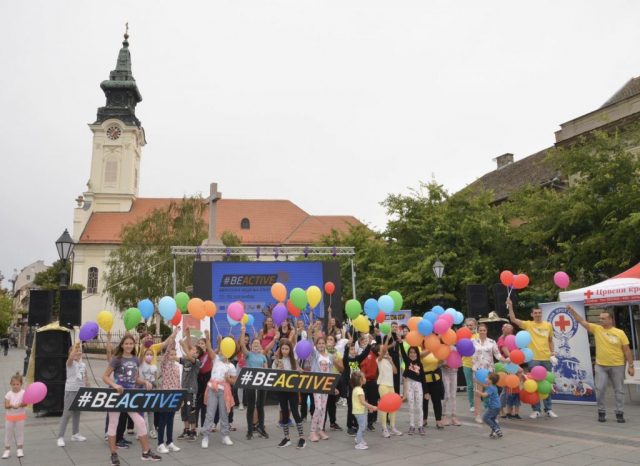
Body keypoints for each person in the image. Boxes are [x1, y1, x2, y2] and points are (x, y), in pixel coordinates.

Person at [567, 305, 635, 423]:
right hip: (601, 366)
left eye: (603, 318)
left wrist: (631, 365)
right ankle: (601, 412)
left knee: (619, 390)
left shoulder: (620, 333)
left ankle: (619, 412)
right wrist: (572, 311)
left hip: (617, 365)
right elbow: (581, 321)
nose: (600, 320)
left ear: (610, 320)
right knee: (600, 389)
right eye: (600, 318)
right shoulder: (597, 329)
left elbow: (627, 350)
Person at [101, 334, 161, 465]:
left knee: (140, 422)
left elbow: (135, 378)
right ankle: (113, 455)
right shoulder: (116, 359)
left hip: (131, 395)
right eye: (126, 343)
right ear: (122, 345)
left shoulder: (135, 360)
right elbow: (105, 376)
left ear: (133, 345)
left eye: (131, 344)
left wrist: (145, 382)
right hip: (117, 395)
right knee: (113, 423)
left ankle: (146, 453)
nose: (128, 346)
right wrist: (116, 385)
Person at [508, 299, 558, 419]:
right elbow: (513, 320)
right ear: (532, 315)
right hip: (533, 359)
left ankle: (549, 409)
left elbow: (550, 340)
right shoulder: (528, 325)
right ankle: (536, 410)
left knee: (547, 385)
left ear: (541, 313)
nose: (538, 315)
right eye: (535, 313)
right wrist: (510, 306)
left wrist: (552, 353)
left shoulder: (548, 325)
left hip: (546, 358)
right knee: (534, 385)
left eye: (539, 313)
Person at [240, 324, 277, 440]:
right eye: (254, 343)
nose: (256, 345)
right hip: (250, 383)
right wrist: (242, 332)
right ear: (251, 346)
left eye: (258, 343)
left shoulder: (262, 357)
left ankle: (261, 428)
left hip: (261, 383)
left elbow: (265, 369)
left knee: (261, 406)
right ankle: (250, 430)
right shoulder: (248, 355)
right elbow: (241, 345)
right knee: (251, 406)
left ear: (260, 346)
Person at [201, 330, 235, 448]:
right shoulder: (216, 359)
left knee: (224, 413)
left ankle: (225, 436)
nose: (222, 351)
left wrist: (227, 378)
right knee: (210, 413)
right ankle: (205, 436)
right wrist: (207, 337)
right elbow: (209, 349)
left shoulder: (231, 366)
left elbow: (234, 381)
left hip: (223, 392)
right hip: (212, 390)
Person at [273, 339, 306, 449]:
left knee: (295, 412)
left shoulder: (294, 361)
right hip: (282, 390)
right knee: (284, 413)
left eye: (287, 349)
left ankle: (302, 438)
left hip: (292, 390)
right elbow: (272, 374)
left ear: (290, 350)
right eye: (283, 349)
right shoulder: (277, 361)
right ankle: (286, 438)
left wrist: (300, 371)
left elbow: (298, 374)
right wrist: (277, 369)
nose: (284, 351)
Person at [472, 323, 508, 424]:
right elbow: (467, 352)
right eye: (481, 330)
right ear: (478, 331)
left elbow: (497, 354)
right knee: (478, 392)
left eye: (484, 330)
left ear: (486, 331)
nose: (482, 332)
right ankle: (477, 414)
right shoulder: (473, 341)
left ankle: (491, 415)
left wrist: (505, 360)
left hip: (489, 371)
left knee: (491, 393)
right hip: (477, 370)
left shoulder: (492, 342)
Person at [57, 342, 89, 447]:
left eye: (80, 350)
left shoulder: (83, 364)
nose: (78, 352)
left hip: (80, 390)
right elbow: (71, 357)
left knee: (77, 412)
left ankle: (75, 434)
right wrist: (75, 347)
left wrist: (87, 382)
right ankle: (60, 437)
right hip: (71, 390)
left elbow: (85, 375)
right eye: (76, 350)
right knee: (67, 413)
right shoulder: (70, 363)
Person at [176, 326, 202, 443]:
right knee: (184, 412)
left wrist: (184, 345)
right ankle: (186, 430)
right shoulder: (186, 360)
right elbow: (175, 358)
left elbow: (190, 356)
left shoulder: (196, 362)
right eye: (190, 350)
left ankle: (193, 431)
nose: (191, 350)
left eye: (193, 350)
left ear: (196, 355)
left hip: (191, 392)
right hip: (184, 390)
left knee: (191, 411)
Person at [156, 334, 181, 454]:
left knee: (171, 420)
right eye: (171, 354)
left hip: (174, 395)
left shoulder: (176, 367)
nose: (173, 356)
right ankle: (160, 443)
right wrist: (173, 338)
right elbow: (166, 355)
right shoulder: (164, 365)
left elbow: (178, 381)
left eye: (174, 354)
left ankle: (169, 442)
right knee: (163, 420)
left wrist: (180, 397)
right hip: (165, 395)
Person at [343, 334, 371, 436]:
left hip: (358, 387)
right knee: (351, 407)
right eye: (351, 349)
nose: (353, 350)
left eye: (354, 349)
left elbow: (364, 354)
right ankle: (349, 426)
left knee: (357, 406)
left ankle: (356, 425)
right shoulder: (347, 361)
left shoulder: (357, 359)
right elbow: (345, 356)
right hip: (350, 387)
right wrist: (347, 346)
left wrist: (369, 344)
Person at [308, 331, 334, 442]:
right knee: (318, 407)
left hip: (326, 385)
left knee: (323, 409)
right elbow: (309, 344)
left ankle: (321, 430)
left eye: (323, 343)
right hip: (317, 383)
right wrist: (310, 333)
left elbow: (331, 372)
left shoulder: (330, 356)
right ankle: (312, 432)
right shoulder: (316, 355)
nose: (321, 345)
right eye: (319, 343)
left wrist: (333, 386)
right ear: (316, 345)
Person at [399, 343, 428, 435]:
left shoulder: (420, 364)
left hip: (418, 385)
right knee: (411, 406)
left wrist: (426, 392)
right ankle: (412, 426)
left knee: (419, 406)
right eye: (411, 352)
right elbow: (403, 353)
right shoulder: (408, 362)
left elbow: (423, 378)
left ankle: (420, 426)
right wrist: (400, 342)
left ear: (417, 353)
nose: (412, 354)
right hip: (409, 385)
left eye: (414, 352)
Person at [377, 334, 402, 437]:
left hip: (390, 386)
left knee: (393, 407)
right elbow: (383, 351)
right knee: (384, 407)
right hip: (383, 385)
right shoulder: (379, 360)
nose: (385, 350)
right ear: (379, 352)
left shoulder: (388, 360)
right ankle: (384, 428)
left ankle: (392, 427)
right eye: (382, 350)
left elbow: (396, 372)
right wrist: (387, 339)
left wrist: (391, 362)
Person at [351, 372, 378, 450]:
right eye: (364, 377)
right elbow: (363, 402)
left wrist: (369, 408)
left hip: (358, 411)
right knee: (362, 426)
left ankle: (359, 438)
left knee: (363, 425)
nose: (365, 379)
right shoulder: (359, 390)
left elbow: (361, 403)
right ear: (360, 380)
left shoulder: (356, 389)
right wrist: (372, 407)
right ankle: (358, 443)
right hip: (359, 411)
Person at [323, 334, 344, 432]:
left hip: (334, 379)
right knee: (323, 403)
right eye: (328, 339)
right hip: (324, 378)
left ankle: (333, 423)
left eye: (331, 339)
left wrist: (334, 361)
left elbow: (342, 369)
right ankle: (321, 424)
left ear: (335, 343)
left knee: (332, 403)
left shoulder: (337, 354)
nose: (329, 341)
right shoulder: (322, 351)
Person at [359, 334, 379, 432]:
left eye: (366, 341)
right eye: (362, 342)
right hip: (362, 382)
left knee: (372, 401)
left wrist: (377, 337)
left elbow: (379, 347)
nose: (365, 343)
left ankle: (371, 421)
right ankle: (360, 421)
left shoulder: (373, 352)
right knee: (361, 402)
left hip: (372, 381)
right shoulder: (359, 355)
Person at [420, 348, 444, 430]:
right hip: (424, 379)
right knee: (424, 400)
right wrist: (429, 350)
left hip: (435, 378)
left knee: (436, 400)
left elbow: (440, 362)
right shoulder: (419, 348)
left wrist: (442, 358)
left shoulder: (436, 350)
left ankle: (438, 420)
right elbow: (419, 356)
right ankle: (424, 419)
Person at [4, 372, 26, 459]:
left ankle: (19, 449)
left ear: (21, 384)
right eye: (13, 384)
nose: (15, 386)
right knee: (8, 433)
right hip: (10, 417)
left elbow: (25, 403)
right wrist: (12, 406)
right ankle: (7, 450)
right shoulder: (8, 394)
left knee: (19, 433)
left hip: (20, 416)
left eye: (17, 384)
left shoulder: (23, 392)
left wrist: (20, 405)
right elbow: (6, 406)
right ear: (11, 384)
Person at [139, 348, 158, 439]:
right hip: (142, 387)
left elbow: (156, 379)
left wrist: (157, 388)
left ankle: (151, 430)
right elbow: (140, 356)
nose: (149, 356)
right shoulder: (142, 365)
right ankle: (141, 431)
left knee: (151, 411)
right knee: (141, 411)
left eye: (151, 354)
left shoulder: (154, 367)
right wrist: (142, 345)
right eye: (147, 354)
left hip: (152, 388)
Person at [195, 336, 213, 433]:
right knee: (197, 404)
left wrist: (208, 338)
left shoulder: (208, 354)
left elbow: (215, 349)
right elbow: (189, 345)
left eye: (203, 343)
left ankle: (204, 426)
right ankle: (195, 426)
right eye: (199, 343)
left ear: (206, 345)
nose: (201, 345)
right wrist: (188, 334)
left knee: (204, 404)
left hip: (206, 379)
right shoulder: (196, 354)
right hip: (197, 379)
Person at [478, 372, 503, 438]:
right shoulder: (493, 386)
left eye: (487, 378)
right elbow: (485, 386)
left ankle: (495, 429)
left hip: (493, 407)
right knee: (492, 419)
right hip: (497, 406)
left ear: (490, 381)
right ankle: (497, 431)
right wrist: (477, 382)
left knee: (486, 418)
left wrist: (478, 392)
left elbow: (484, 395)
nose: (486, 379)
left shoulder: (491, 388)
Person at [441, 345, 461, 427]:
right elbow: (438, 362)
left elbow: (460, 362)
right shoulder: (441, 348)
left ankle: (454, 416)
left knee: (453, 395)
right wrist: (443, 364)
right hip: (445, 373)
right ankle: (443, 416)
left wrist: (455, 364)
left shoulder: (456, 349)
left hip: (454, 373)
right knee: (447, 395)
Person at [496, 324, 513, 418]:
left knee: (511, 387)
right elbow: (507, 353)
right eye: (505, 332)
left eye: (509, 332)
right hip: (504, 363)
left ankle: (510, 410)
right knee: (505, 388)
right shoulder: (501, 340)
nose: (507, 334)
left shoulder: (512, 338)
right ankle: (500, 408)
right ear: (503, 331)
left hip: (512, 363)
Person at [462, 318, 479, 412]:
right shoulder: (462, 336)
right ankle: (472, 404)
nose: (469, 327)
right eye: (467, 325)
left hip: (478, 363)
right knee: (470, 385)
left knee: (480, 384)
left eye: (471, 325)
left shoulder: (478, 335)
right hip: (466, 363)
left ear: (475, 325)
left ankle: (484, 403)